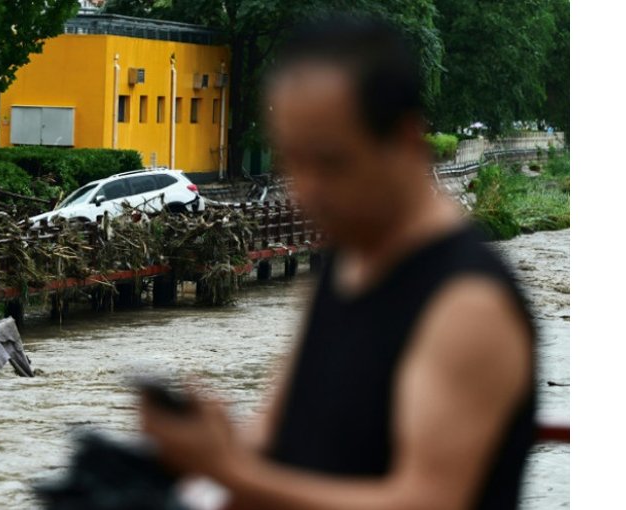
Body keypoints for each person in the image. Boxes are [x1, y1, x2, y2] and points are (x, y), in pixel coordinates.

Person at [140, 15, 535, 510]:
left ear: (406, 141)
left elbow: (429, 501)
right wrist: (213, 447)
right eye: (292, 161)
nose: (305, 190)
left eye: (330, 162)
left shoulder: (468, 305)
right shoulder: (346, 264)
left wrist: (227, 471)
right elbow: (275, 438)